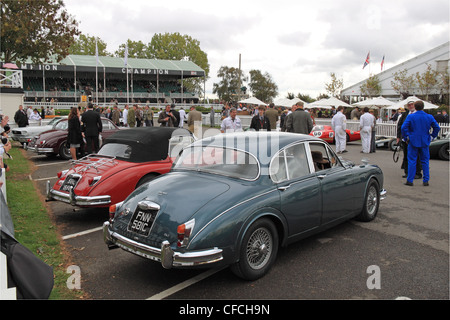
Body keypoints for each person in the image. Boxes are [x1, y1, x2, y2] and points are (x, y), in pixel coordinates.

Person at [401, 101, 440, 186]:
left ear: (415, 107)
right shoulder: (429, 116)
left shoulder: (411, 116)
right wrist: (432, 136)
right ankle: (426, 180)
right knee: (425, 161)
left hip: (413, 140)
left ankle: (410, 180)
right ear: (423, 107)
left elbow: (403, 127)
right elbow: (437, 127)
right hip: (425, 140)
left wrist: (406, 137)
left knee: (412, 161)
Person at [397, 101, 422, 179]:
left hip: (415, 139)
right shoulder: (404, 114)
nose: (410, 106)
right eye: (409, 105)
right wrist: (398, 137)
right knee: (406, 155)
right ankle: (407, 172)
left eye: (412, 105)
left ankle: (417, 172)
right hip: (405, 139)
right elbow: (400, 126)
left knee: (416, 156)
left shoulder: (418, 114)